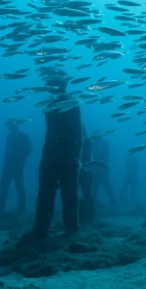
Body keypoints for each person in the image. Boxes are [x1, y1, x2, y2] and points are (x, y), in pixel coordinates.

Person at [31, 69, 82, 238]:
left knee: (67, 193)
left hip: (65, 155)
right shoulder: (51, 103)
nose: (46, 84)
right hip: (50, 154)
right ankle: (41, 229)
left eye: (50, 81)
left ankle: (70, 228)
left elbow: (77, 133)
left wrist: (75, 157)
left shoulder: (70, 102)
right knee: (47, 192)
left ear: (59, 83)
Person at [0, 118, 31, 215]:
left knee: (14, 185)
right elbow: (28, 148)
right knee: (11, 185)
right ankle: (3, 208)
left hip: (15, 165)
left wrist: (21, 159)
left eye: (9, 125)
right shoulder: (11, 135)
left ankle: (18, 208)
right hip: (10, 164)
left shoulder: (21, 135)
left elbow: (29, 148)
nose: (8, 127)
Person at [89, 134, 115, 206]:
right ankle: (111, 201)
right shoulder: (99, 143)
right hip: (99, 167)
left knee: (101, 184)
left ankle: (96, 201)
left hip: (101, 168)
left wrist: (101, 168)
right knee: (99, 184)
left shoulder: (102, 143)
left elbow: (103, 157)